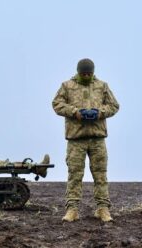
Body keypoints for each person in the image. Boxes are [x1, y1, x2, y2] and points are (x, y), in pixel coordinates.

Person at [52, 58, 119, 222]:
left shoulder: (102, 86)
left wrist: (100, 112)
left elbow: (114, 106)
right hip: (76, 139)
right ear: (78, 72)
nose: (87, 76)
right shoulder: (67, 86)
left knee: (100, 176)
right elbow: (56, 104)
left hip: (97, 139)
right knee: (74, 175)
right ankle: (72, 210)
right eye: (84, 73)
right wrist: (74, 111)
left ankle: (103, 209)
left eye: (90, 73)